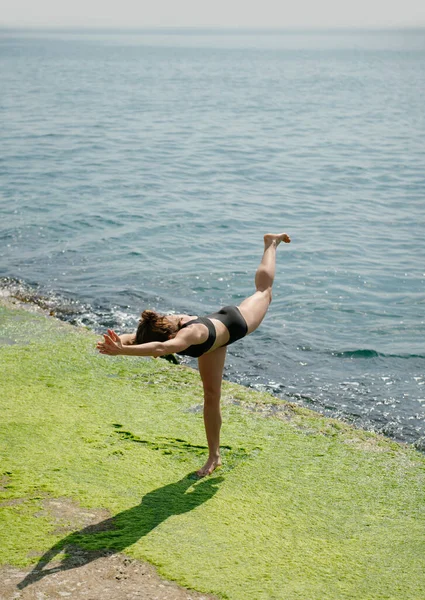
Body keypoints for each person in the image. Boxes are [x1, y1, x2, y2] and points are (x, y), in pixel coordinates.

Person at [97, 233, 291, 477]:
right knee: (211, 397)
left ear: (170, 338)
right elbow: (136, 340)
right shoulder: (162, 329)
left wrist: (123, 351)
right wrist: (115, 344)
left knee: (264, 291)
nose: (156, 356)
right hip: (212, 345)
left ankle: (271, 243)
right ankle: (214, 457)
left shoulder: (187, 336)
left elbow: (158, 349)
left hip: (235, 322)